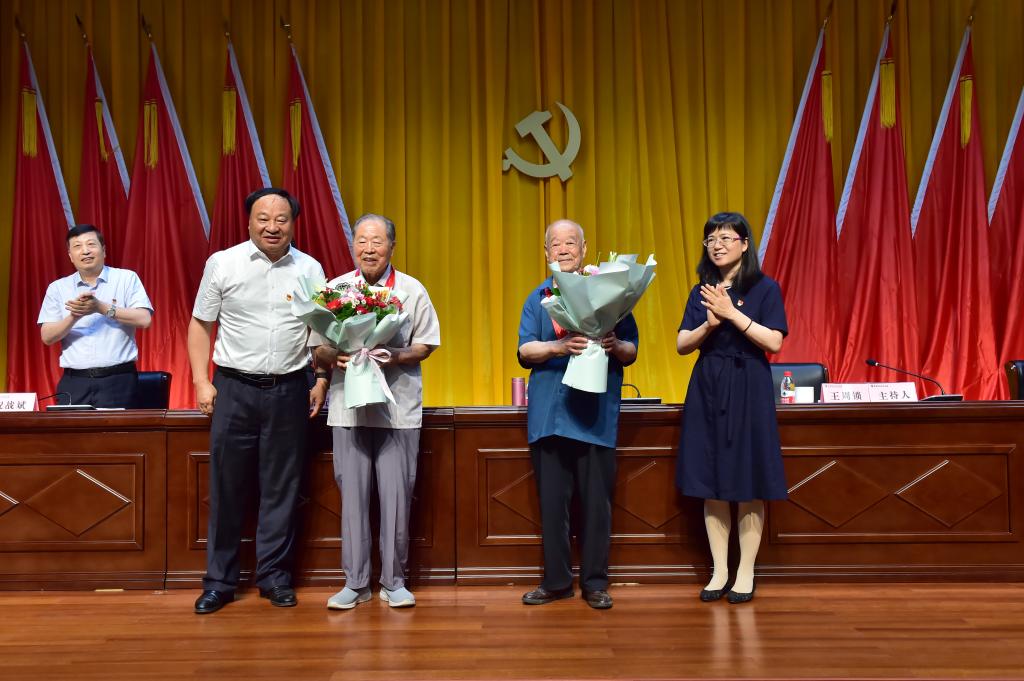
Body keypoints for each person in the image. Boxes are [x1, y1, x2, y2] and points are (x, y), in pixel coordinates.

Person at [188, 188, 328, 614]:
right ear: (249, 221)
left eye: (281, 219)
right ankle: (219, 582)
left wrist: (321, 378)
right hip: (233, 388)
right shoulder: (223, 263)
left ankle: (274, 578)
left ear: (293, 224)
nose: (272, 226)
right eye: (263, 218)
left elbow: (319, 330)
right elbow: (200, 324)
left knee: (282, 488)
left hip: (289, 388)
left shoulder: (310, 268)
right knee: (227, 487)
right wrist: (201, 381)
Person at [313, 213, 440, 611]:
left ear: (392, 247)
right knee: (352, 498)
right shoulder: (336, 289)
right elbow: (318, 347)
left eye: (377, 242)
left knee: (397, 496)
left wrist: (392, 355)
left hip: (396, 408)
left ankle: (394, 581)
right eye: (362, 241)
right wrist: (335, 355)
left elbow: (426, 344)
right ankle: (355, 583)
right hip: (348, 408)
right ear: (353, 245)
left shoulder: (411, 289)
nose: (369, 249)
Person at [517, 219, 638, 610]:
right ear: (546, 252)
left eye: (571, 243)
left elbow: (632, 351)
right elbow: (525, 351)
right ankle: (556, 582)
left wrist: (614, 343)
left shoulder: (609, 293)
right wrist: (559, 346)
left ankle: (595, 583)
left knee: (597, 506)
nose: (564, 249)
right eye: (556, 244)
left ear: (584, 249)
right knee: (553, 507)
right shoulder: (538, 297)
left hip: (595, 415)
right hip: (550, 416)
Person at [675, 212, 788, 604]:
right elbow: (682, 344)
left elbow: (773, 342)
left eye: (725, 237)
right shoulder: (702, 291)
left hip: (748, 385)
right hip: (708, 384)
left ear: (744, 243)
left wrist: (732, 314)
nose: (717, 245)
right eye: (710, 239)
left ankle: (745, 571)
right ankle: (719, 570)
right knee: (711, 480)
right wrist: (709, 324)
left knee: (748, 479)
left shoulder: (764, 288)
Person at [38, 224, 153, 408]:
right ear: (70, 256)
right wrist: (74, 316)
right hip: (74, 382)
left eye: (91, 244)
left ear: (104, 250)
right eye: (77, 246)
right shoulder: (57, 288)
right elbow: (47, 336)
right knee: (69, 428)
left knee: (118, 428)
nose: (85, 251)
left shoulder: (126, 278)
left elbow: (144, 319)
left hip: (118, 381)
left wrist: (101, 307)